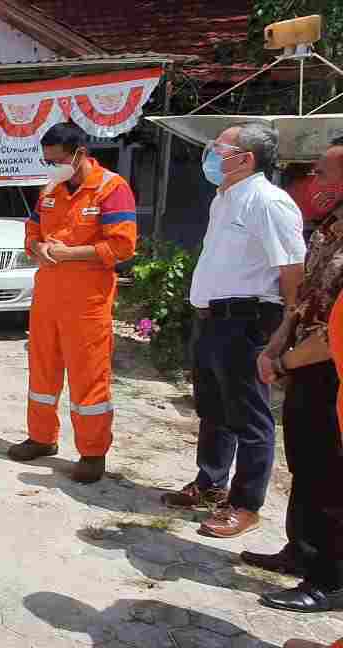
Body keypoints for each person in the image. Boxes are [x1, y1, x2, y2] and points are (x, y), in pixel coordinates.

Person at [162, 123, 305, 539]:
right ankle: (210, 483)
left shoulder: (268, 201)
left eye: (218, 147)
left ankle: (245, 505)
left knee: (250, 417)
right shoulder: (224, 198)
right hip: (211, 320)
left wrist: (287, 328)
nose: (210, 152)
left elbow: (291, 268)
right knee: (213, 409)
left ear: (246, 158)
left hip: (246, 321)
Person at [8, 122, 138, 484]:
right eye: (47, 161)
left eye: (57, 160)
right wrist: (38, 247)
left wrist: (69, 254)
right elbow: (31, 231)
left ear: (80, 153)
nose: (51, 167)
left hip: (88, 303)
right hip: (47, 298)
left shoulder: (112, 189)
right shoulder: (50, 189)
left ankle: (93, 453)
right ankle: (41, 437)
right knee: (42, 372)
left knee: (88, 380)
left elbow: (122, 246)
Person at [241, 139, 343, 584]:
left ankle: (327, 579)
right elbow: (303, 301)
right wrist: (276, 346)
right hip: (302, 362)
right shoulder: (328, 229)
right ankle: (301, 551)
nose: (312, 182)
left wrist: (286, 363)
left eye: (322, 174)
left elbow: (333, 333)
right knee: (305, 466)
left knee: (330, 478)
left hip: (330, 370)